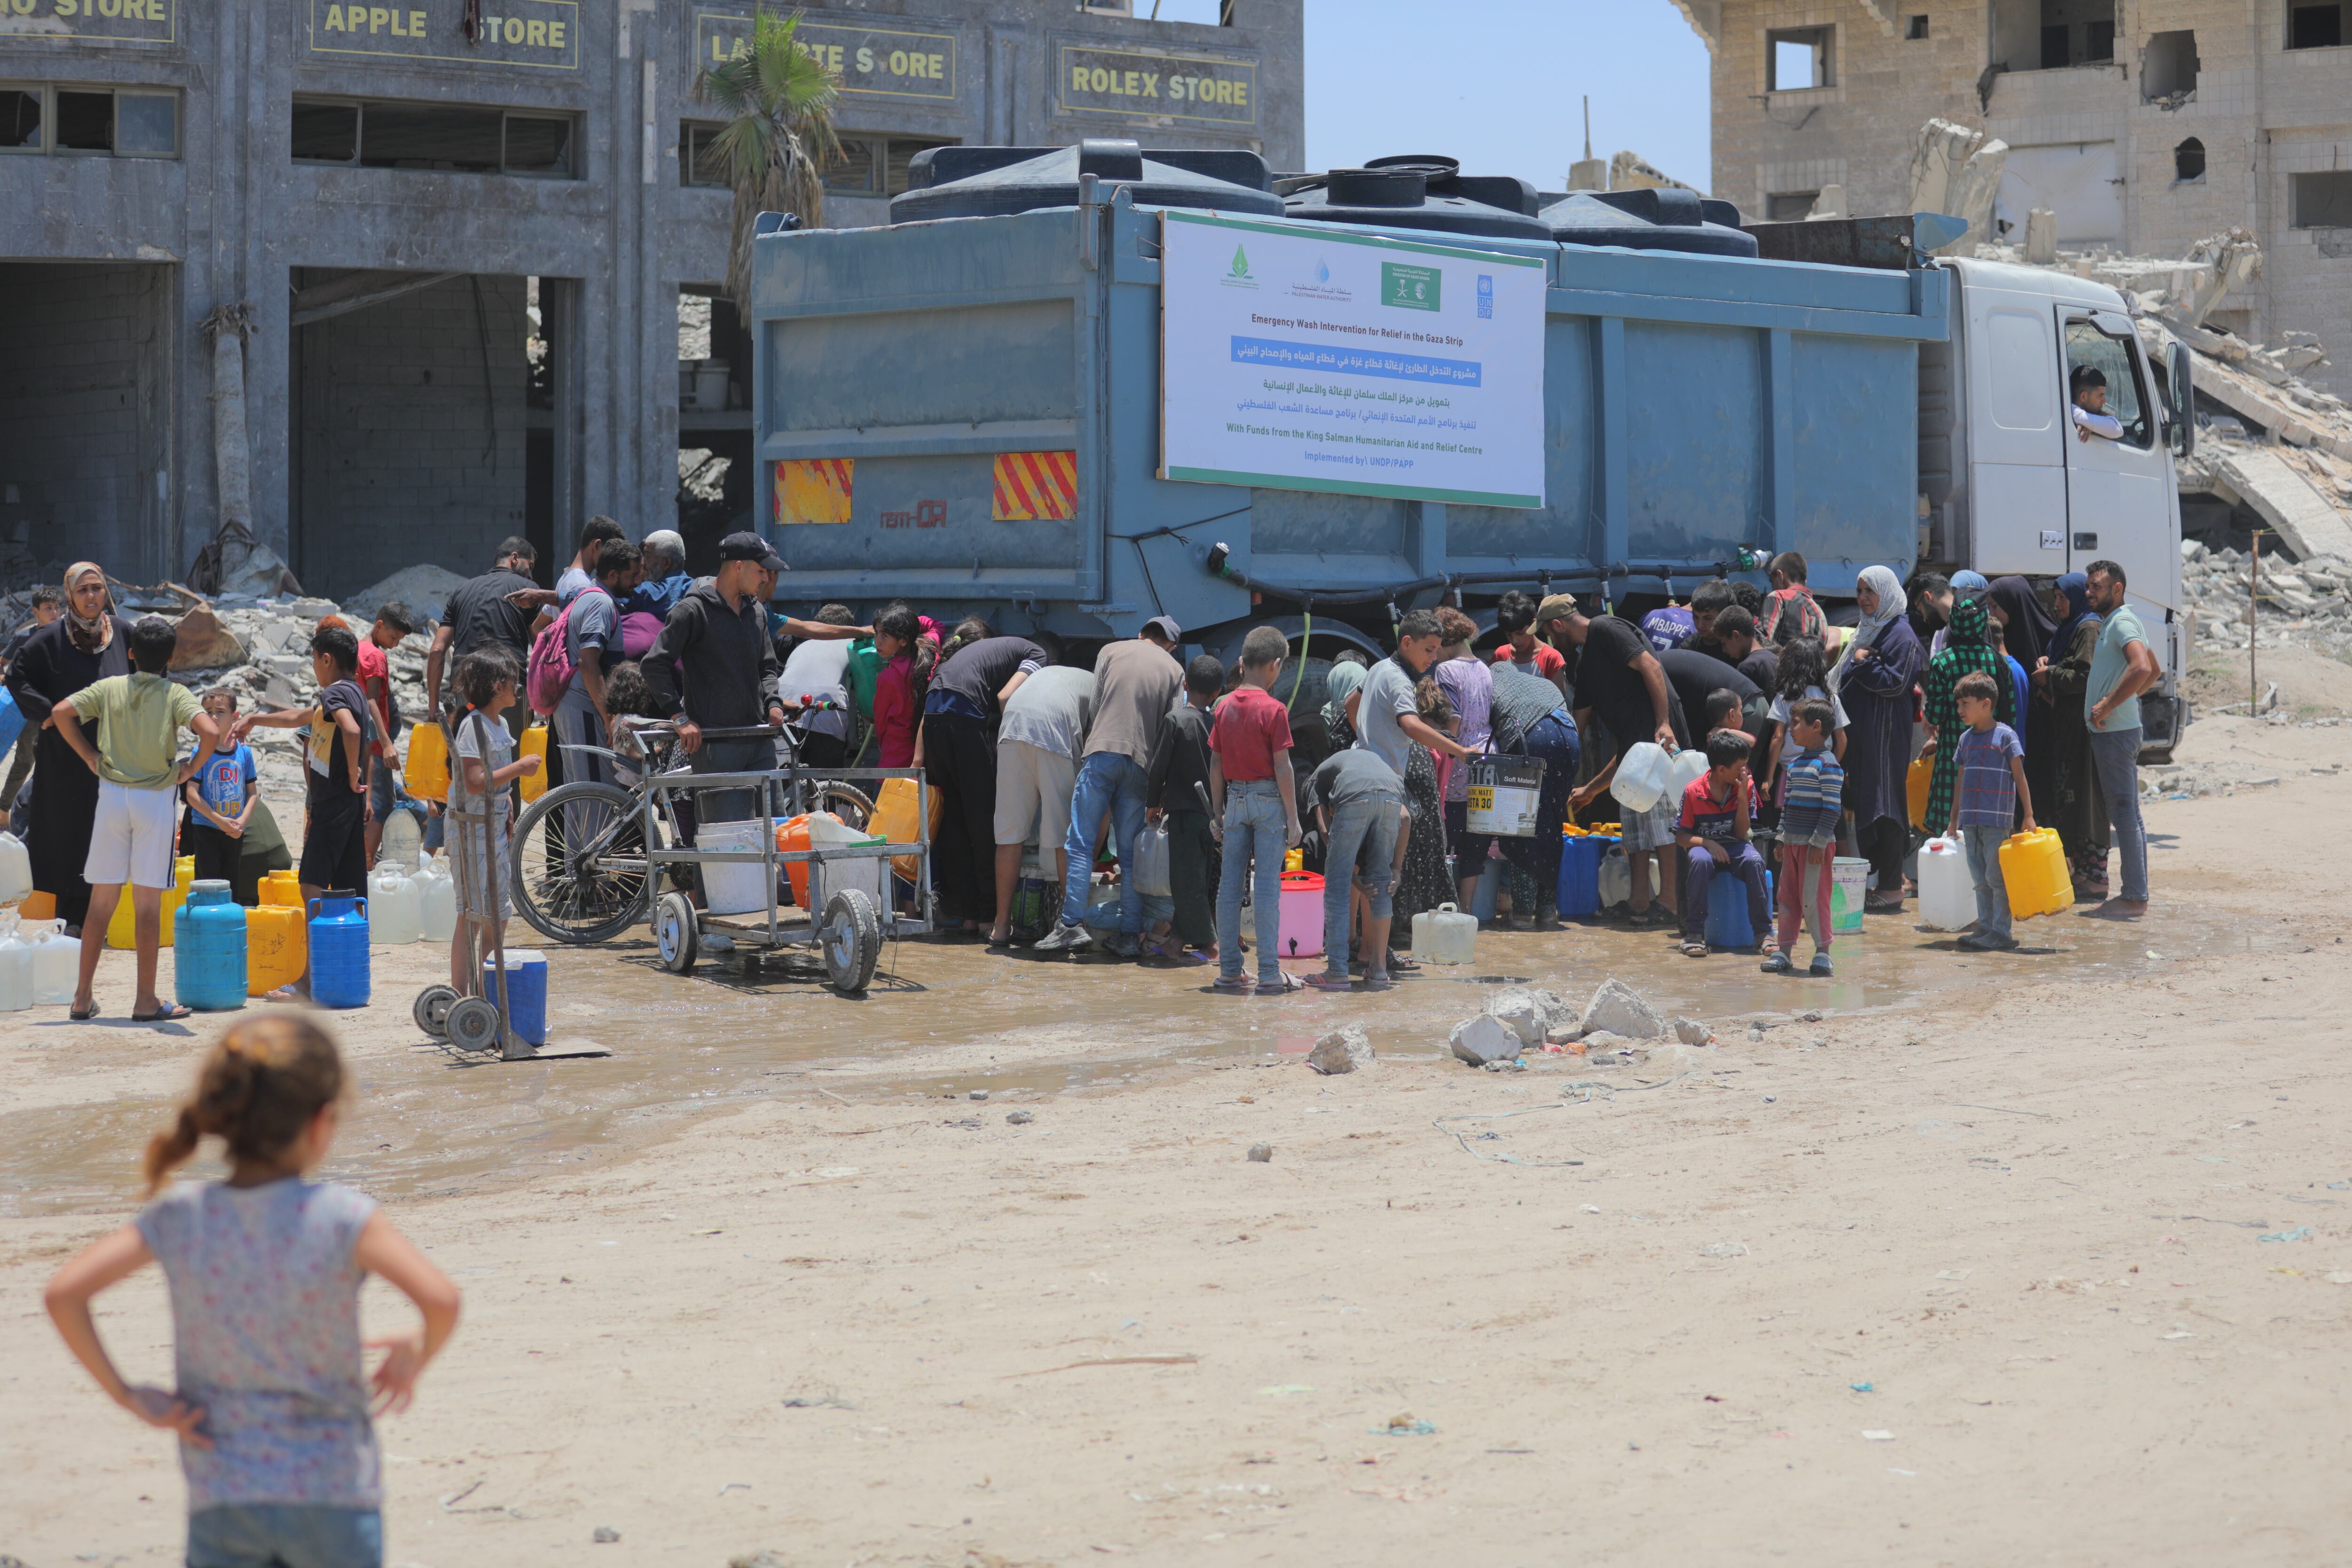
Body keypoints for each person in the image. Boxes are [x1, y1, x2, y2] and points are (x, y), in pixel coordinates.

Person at [43, 1018, 461, 1568]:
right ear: (321, 1123)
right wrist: (414, 1354)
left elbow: (64, 1294)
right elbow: (442, 1302)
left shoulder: (180, 1216)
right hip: (331, 1494)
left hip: (223, 1497)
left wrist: (127, 1395)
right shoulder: (343, 1217)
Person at [51, 615, 223, 1023]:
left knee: (101, 901)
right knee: (148, 903)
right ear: (172, 657)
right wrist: (189, 769)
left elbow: (61, 712)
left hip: (112, 796)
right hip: (156, 800)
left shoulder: (110, 687)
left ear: (130, 654)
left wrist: (89, 756)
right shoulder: (175, 692)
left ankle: (81, 997)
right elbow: (211, 733)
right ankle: (145, 999)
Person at [644, 533, 826, 831]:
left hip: (759, 741)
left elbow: (767, 666)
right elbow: (654, 665)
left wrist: (774, 703)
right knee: (727, 840)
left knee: (774, 833)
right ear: (738, 567)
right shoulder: (692, 611)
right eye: (761, 570)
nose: (767, 578)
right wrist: (680, 717)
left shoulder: (756, 613)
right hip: (716, 746)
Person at [1030, 618, 1184, 957]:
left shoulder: (1110, 651)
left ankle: (1070, 926)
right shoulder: (1174, 670)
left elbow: (1097, 707)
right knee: (1129, 856)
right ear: (1170, 645)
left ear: (1143, 634)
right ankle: (1130, 936)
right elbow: (1172, 725)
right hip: (1141, 764)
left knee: (1082, 843)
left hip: (1101, 754)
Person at [237, 626, 375, 1000]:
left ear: (326, 659)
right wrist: (255, 719)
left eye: (315, 660)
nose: (315, 667)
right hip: (348, 806)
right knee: (348, 889)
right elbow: (301, 717)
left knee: (311, 886)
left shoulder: (335, 693)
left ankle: (309, 980)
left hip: (332, 804)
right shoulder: (354, 692)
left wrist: (350, 771)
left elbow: (349, 729)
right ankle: (346, 972)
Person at [7, 563, 131, 929]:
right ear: (70, 596)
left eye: (97, 588)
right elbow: (16, 676)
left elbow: (152, 674)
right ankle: (70, 921)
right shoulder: (51, 637)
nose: (92, 596)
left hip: (112, 755)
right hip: (64, 756)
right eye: (83, 590)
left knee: (106, 832)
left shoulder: (122, 633)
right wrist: (47, 713)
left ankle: (97, 920)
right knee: (67, 834)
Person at [1552, 596, 1690, 924]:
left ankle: (1670, 902)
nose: (1551, 641)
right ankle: (1639, 900)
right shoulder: (1586, 667)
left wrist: (1663, 722)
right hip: (1633, 754)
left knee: (1661, 826)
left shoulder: (1606, 627)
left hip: (1658, 742)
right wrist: (1573, 779)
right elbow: (1578, 723)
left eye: (1549, 633)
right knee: (1635, 829)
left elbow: (1651, 666)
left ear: (1558, 626)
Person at [914, 622, 1048, 932]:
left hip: (937, 719)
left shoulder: (972, 653)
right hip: (964, 718)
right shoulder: (1037, 654)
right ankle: (991, 918)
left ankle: (970, 916)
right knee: (984, 823)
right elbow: (1005, 697)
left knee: (956, 821)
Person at [1209, 626, 1304, 995]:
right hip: (1268, 802)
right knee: (1266, 889)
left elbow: (1216, 765)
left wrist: (1217, 813)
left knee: (1228, 888)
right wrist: (1293, 818)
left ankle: (1230, 970)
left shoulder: (1223, 706)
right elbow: (1283, 767)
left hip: (1234, 800)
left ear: (1241, 662)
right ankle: (1269, 974)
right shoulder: (1275, 709)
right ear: (1276, 666)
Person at [446, 650, 540, 990]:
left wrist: (510, 808)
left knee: (497, 916)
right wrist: (519, 768)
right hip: (472, 829)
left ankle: (488, 993)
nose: (519, 687)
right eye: (513, 681)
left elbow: (496, 779)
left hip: (494, 825)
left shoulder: (498, 724)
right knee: (471, 915)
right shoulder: (473, 726)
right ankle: (461, 995)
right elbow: (473, 779)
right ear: (498, 686)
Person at [1836, 565, 1923, 913]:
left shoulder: (1901, 634)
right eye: (1860, 591)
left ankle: (1891, 888)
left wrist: (1861, 664)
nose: (1863, 598)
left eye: (1870, 591)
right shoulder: (1871, 629)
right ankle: (1884, 882)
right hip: (1865, 736)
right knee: (1869, 802)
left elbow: (1897, 683)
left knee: (1886, 806)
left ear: (1886, 592)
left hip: (1884, 737)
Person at [990, 652, 1089, 948]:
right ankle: (1070, 924)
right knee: (1062, 837)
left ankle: (1001, 926)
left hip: (1011, 729)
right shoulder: (1098, 686)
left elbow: (1005, 698)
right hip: (1053, 730)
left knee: (1009, 836)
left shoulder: (1049, 675)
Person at [2080, 559, 2156, 919]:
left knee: (2124, 815)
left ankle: (2134, 898)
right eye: (2089, 585)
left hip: (2116, 732)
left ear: (2117, 589)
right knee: (2130, 815)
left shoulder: (2123, 620)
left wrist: (2109, 705)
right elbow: (2153, 669)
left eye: (2096, 586)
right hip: (2119, 729)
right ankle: (2135, 895)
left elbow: (2142, 668)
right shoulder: (2121, 621)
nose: (2089, 592)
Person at [1305, 743, 1405, 991]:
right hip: (1393, 797)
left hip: (1354, 796)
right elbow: (1406, 818)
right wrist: (1396, 870)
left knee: (1336, 888)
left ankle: (1337, 972)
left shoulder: (1314, 781)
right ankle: (1379, 970)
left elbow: (1326, 831)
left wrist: (1349, 876)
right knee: (1382, 883)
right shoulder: (1372, 765)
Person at [1488, 658, 1580, 928]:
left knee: (1520, 826)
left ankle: (1524, 914)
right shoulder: (1541, 684)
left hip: (1531, 740)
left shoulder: (1488, 686)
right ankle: (1548, 910)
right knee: (1551, 824)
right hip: (1568, 736)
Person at [2035, 572, 2110, 899]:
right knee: (2072, 797)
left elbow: (2085, 674)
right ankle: (2082, 871)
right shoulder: (2070, 630)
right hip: (2067, 727)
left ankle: (2096, 876)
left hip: (2084, 730)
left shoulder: (2088, 628)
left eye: (2064, 597)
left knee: (2087, 798)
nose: (2059, 604)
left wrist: (2048, 674)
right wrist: (2048, 664)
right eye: (2056, 597)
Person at [1950, 670, 2036, 952]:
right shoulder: (1965, 740)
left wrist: (2028, 815)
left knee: (1996, 878)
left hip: (1997, 821)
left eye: (1966, 703)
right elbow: (1960, 782)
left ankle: (2002, 931)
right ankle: (1985, 928)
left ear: (1986, 704)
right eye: (1959, 704)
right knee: (1979, 878)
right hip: (1971, 822)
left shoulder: (2006, 737)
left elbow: (2020, 777)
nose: (1960, 709)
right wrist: (1954, 820)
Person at [1145, 653, 1223, 963]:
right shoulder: (1217, 722)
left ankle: (1211, 947)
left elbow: (1158, 767)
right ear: (1217, 692)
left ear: (1185, 684)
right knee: (1196, 879)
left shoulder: (1175, 719)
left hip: (1183, 815)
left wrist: (1152, 803)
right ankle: (1176, 942)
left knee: (1185, 881)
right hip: (1212, 816)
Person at [1919, 594, 2015, 839]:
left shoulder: (1943, 661)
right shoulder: (1997, 661)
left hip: (1953, 758)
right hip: (1992, 760)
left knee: (1948, 832)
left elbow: (1935, 713)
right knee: (1985, 834)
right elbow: (2009, 713)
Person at [425, 537, 541, 734]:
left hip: (466, 689)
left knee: (466, 759)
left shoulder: (462, 591)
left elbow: (437, 651)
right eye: (529, 566)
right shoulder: (527, 591)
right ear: (515, 558)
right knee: (508, 759)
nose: (530, 574)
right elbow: (541, 650)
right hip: (508, 691)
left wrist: (433, 708)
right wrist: (545, 706)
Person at [1674, 728, 1769, 960]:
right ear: (1721, 770)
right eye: (1740, 767)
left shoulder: (1746, 785)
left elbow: (1740, 834)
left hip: (1735, 845)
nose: (1745, 771)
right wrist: (1708, 843)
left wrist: (1743, 798)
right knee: (1700, 861)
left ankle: (1764, 934)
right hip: (1703, 846)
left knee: (1755, 860)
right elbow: (1681, 837)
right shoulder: (1694, 791)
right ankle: (1694, 934)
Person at [1765, 699, 1842, 977]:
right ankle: (1784, 951)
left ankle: (1823, 952)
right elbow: (1787, 804)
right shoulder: (1796, 765)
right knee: (1787, 898)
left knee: (1814, 897)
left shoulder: (1828, 765)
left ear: (1817, 726)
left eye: (1796, 723)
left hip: (1815, 847)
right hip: (1793, 844)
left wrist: (1819, 843)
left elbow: (1832, 808)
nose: (1791, 730)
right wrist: (1781, 838)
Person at [1432, 609, 1496, 915]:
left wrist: (1438, 741)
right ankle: (1468, 913)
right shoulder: (1485, 668)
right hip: (1485, 765)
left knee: (1443, 845)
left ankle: (1442, 912)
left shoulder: (1446, 671)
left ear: (1444, 639)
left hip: (1459, 765)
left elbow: (1453, 719)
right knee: (1476, 847)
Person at [357, 601, 415, 869]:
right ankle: (366, 869)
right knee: (382, 806)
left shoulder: (358, 648)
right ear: (379, 626)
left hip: (360, 742)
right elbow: (371, 702)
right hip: (376, 747)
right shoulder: (375, 657)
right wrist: (387, 743)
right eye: (393, 637)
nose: (395, 645)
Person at [183, 688, 259, 891]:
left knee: (231, 886)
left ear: (235, 717)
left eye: (220, 711)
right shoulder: (200, 751)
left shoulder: (244, 753)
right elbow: (191, 794)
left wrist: (241, 822)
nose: (214, 716)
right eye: (208, 711)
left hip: (234, 831)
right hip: (206, 828)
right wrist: (218, 820)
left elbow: (252, 793)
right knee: (208, 887)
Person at [0, 583, 63, 828]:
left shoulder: (64, 638)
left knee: (48, 761)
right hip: (24, 711)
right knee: (24, 762)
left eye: (57, 608)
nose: (55, 613)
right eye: (49, 608)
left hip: (54, 711)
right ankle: (5, 810)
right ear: (35, 612)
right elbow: (3, 661)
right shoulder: (26, 638)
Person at [775, 600, 860, 771]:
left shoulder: (803, 645)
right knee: (825, 789)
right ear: (849, 628)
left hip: (784, 715)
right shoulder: (852, 645)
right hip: (826, 720)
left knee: (784, 788)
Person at [1490, 590, 1568, 693]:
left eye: (1520, 633)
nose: (1515, 641)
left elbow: (1559, 704)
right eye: (1509, 635)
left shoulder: (1551, 658)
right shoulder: (1501, 655)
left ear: (1533, 625)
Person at [1760, 552, 1830, 649]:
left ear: (1781, 576)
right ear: (1805, 582)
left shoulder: (1778, 597)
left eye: (1772, 582)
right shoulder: (1818, 611)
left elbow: (1764, 643)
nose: (1772, 588)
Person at [553, 516, 627, 607]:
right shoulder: (582, 585)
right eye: (612, 551)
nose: (614, 559)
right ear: (597, 546)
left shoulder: (566, 578)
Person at [626, 529, 694, 617]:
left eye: (648, 557)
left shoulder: (649, 594)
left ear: (666, 563)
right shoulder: (699, 588)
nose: (643, 563)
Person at [2070, 365, 2125, 443]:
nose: (2105, 400)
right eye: (2101, 395)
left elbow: (2117, 430)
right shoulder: (2072, 412)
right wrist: (2091, 424)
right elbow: (2117, 429)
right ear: (2084, 397)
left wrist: (2092, 426)